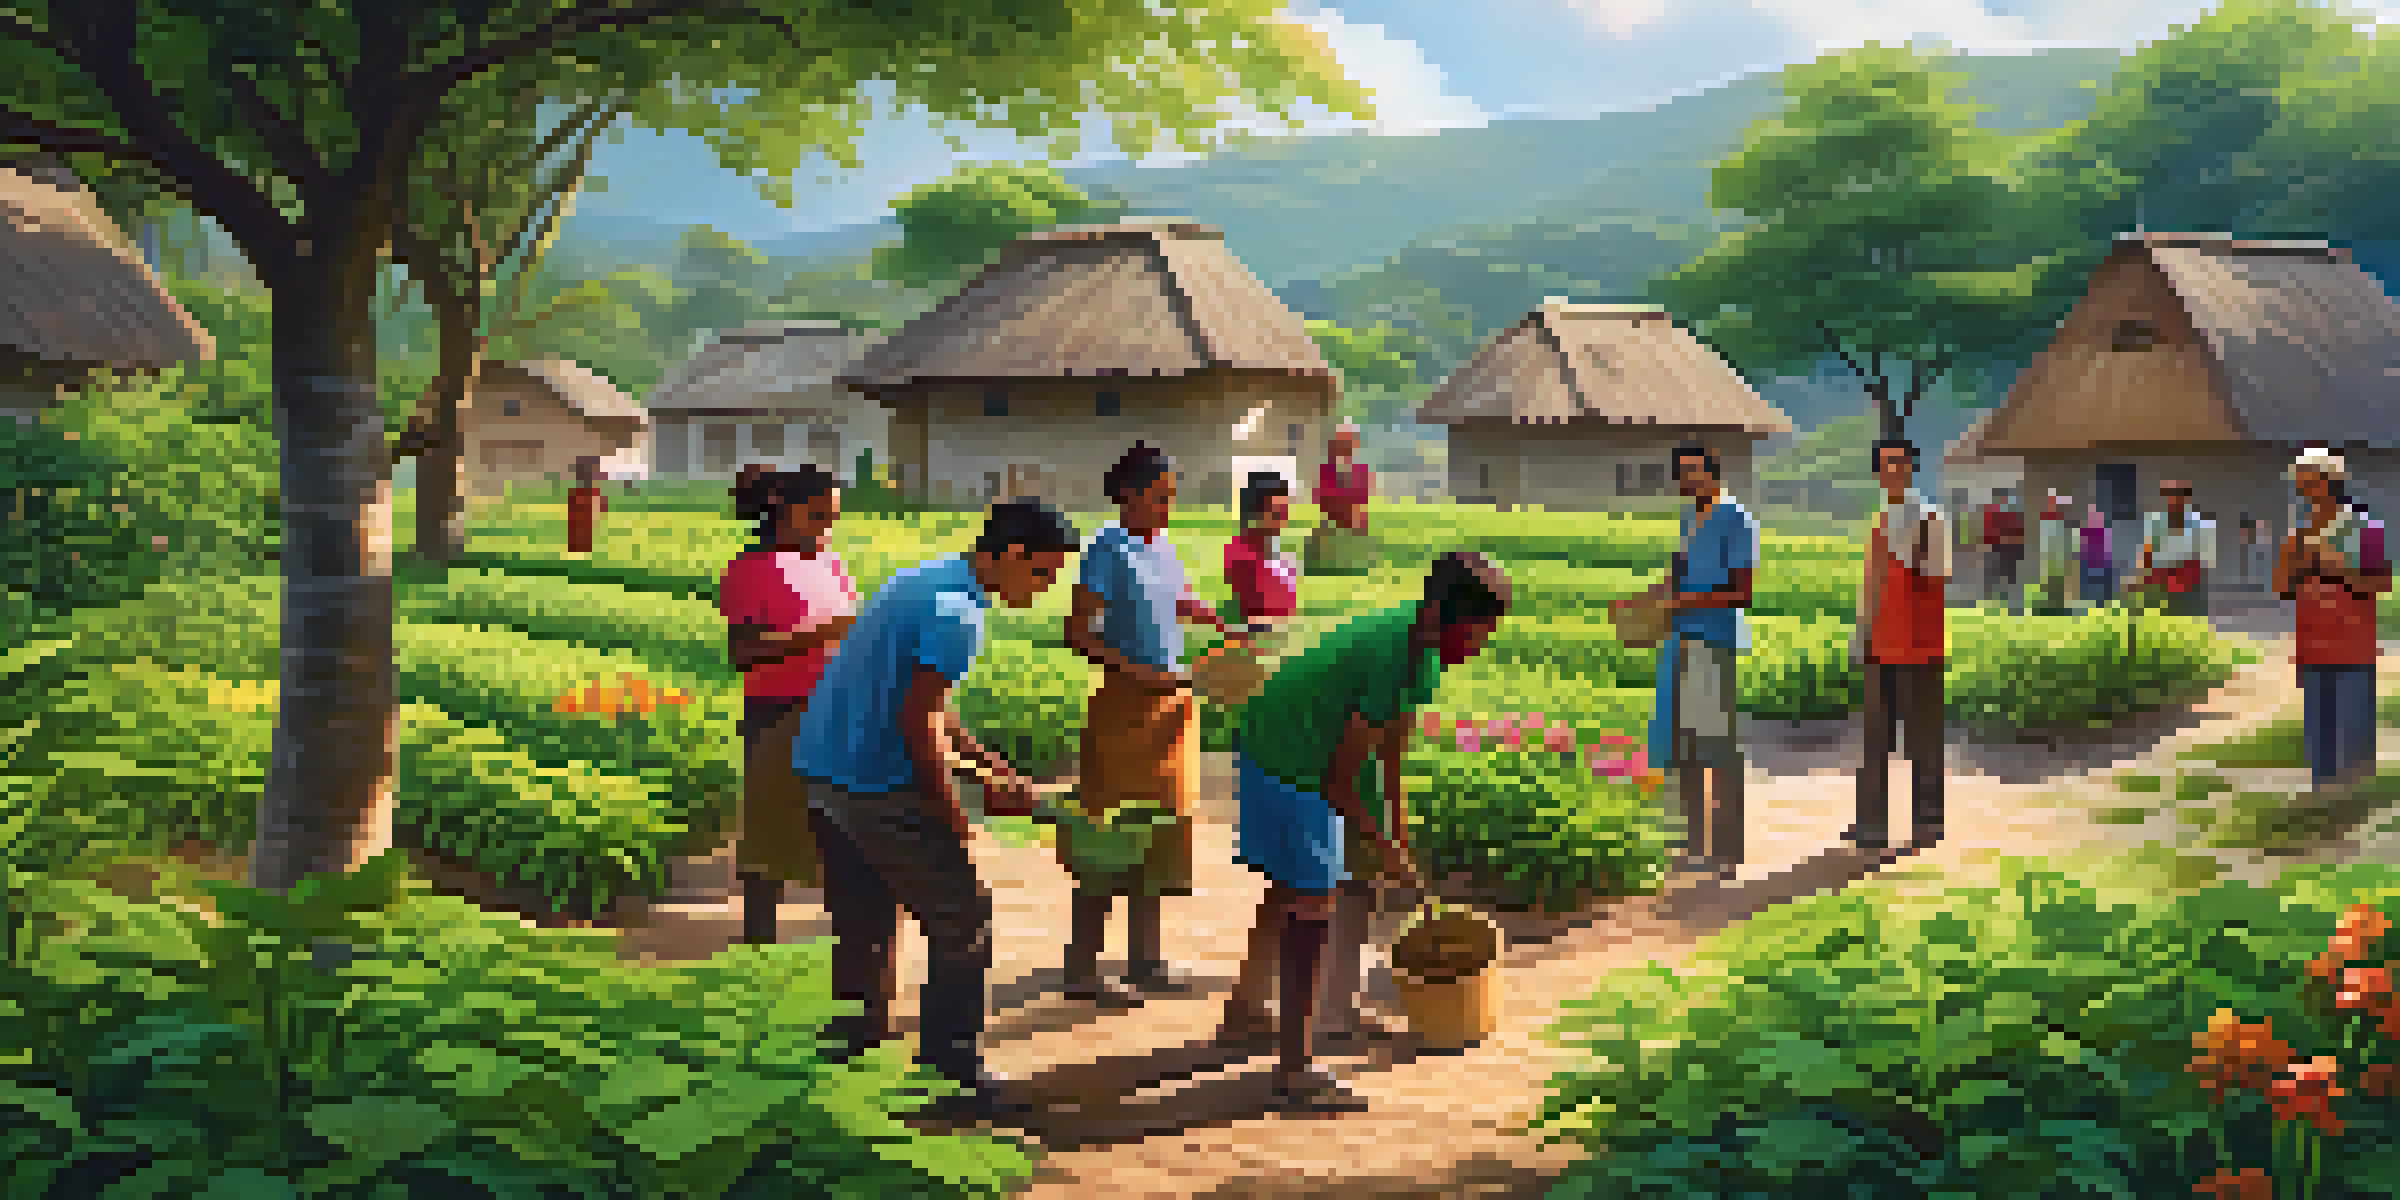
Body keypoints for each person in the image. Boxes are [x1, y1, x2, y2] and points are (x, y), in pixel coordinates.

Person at [793, 499, 1079, 1122]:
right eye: (1042, 572)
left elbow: (927, 702)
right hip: (876, 785)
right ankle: (950, 1072)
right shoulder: (958, 614)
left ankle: (851, 1056)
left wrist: (991, 766)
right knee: (963, 921)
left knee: (865, 921)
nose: (1045, 588)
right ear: (1010, 554)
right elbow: (918, 720)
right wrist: (950, 812)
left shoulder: (928, 579)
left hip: (825, 772)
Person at [1218, 552, 1510, 1109]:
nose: (1478, 647)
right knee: (1312, 902)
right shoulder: (1392, 656)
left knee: (1298, 886)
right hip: (1286, 756)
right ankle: (1297, 1071)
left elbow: (1391, 745)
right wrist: (1380, 842)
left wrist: (1396, 827)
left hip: (1298, 742)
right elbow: (1337, 782)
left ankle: (1248, 1015)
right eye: (1475, 633)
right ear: (1441, 615)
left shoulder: (1420, 652)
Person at [1059, 444, 1229, 1005]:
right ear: (1128, 495)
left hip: (1170, 709)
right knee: (1108, 839)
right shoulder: (1107, 548)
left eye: (1170, 497)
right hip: (1124, 709)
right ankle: (1082, 969)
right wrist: (1139, 673)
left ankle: (1144, 963)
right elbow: (1077, 632)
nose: (1167, 507)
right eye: (1158, 497)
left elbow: (1173, 600)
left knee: (1160, 834)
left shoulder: (1163, 547)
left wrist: (1211, 617)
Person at [719, 464, 860, 945]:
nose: (826, 529)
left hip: (834, 705)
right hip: (777, 710)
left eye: (833, 518)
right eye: (817, 517)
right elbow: (743, 652)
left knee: (843, 827)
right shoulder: (752, 568)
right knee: (770, 832)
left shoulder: (832, 564)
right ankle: (759, 940)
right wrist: (823, 635)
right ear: (783, 509)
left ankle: (853, 937)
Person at [1613, 444, 1756, 880]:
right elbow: (1674, 578)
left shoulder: (1735, 519)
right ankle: (1690, 844)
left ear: (1715, 474)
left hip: (1714, 641)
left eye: (1696, 472)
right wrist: (1642, 600)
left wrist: (1682, 602)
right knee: (1682, 747)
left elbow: (1742, 592)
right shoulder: (1689, 519)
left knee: (1717, 747)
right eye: (1683, 473)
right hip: (1680, 640)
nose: (1689, 480)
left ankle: (1726, 850)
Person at [1846, 438, 1949, 858]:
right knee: (1875, 740)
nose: (1892, 471)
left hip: (1919, 647)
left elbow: (1937, 578)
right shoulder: (1879, 522)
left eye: (1899, 463)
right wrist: (1861, 633)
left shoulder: (1931, 519)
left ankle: (1928, 821)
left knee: (1923, 739)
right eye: (1885, 464)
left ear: (1911, 468)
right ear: (1877, 473)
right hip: (1880, 645)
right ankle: (1871, 824)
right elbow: (1871, 584)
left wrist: (1905, 546)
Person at [2275, 446, 2389, 799]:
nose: (2302, 490)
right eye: (2300, 483)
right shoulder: (2299, 533)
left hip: (2353, 645)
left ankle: (2356, 802)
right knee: (2319, 736)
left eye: (2308, 482)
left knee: (2354, 732)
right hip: (2313, 644)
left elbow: (2380, 583)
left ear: (2329, 482)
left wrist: (2333, 566)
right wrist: (2291, 558)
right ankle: (2322, 799)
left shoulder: (2366, 528)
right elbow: (2282, 588)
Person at [1224, 471, 1301, 628]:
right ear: (1255, 512)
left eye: (1285, 511)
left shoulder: (1280, 552)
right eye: (1276, 513)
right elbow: (1246, 620)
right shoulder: (1241, 555)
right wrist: (1289, 624)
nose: (1283, 519)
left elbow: (1288, 608)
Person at [2137, 480, 2216, 619]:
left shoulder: (2203, 524)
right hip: (2158, 586)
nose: (2173, 500)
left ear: (2187, 498)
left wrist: (2180, 578)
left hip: (2189, 588)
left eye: (2178, 495)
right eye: (2169, 495)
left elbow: (2206, 562)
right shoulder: (2153, 522)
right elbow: (2146, 558)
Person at [1306, 422, 1376, 574]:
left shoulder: (1360, 470)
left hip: (1353, 523)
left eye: (1348, 442)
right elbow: (1322, 499)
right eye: (1341, 443)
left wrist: (1354, 515)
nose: (1345, 447)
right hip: (1333, 522)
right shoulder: (1326, 470)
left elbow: (1361, 498)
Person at [1982, 488, 2026, 612]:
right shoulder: (1992, 513)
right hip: (1998, 549)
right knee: (1997, 579)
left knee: (2009, 580)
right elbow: (1988, 533)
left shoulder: (2013, 514)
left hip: (2009, 550)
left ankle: (2012, 606)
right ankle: (1997, 605)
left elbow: (2019, 533)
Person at [2034, 491, 2074, 615]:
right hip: (2050, 557)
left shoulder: (2059, 522)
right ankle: (2050, 606)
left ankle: (2057, 606)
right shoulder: (2047, 521)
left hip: (2056, 557)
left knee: (2057, 580)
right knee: (2050, 580)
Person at [567, 455, 608, 554]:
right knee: (581, 530)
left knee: (581, 531)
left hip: (583, 508)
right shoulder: (584, 490)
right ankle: (579, 549)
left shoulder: (578, 491)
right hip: (583, 506)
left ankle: (579, 549)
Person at [2080, 503, 2116, 609]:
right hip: (2089, 563)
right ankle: (2090, 604)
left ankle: (2103, 604)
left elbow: (2109, 548)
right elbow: (2083, 548)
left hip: (2102, 563)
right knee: (2090, 586)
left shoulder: (2106, 531)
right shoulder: (2085, 531)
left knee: (2102, 586)